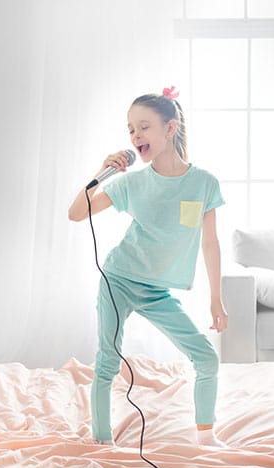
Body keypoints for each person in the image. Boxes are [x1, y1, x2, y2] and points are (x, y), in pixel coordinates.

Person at [67, 87, 228, 448]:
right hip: (119, 280)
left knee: (206, 357)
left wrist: (216, 299)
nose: (136, 136)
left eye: (144, 127)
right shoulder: (132, 182)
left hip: (157, 291)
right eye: (130, 130)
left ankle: (206, 436)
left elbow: (210, 244)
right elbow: (76, 213)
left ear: (171, 129)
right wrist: (102, 171)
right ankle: (102, 440)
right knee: (108, 359)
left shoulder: (204, 184)